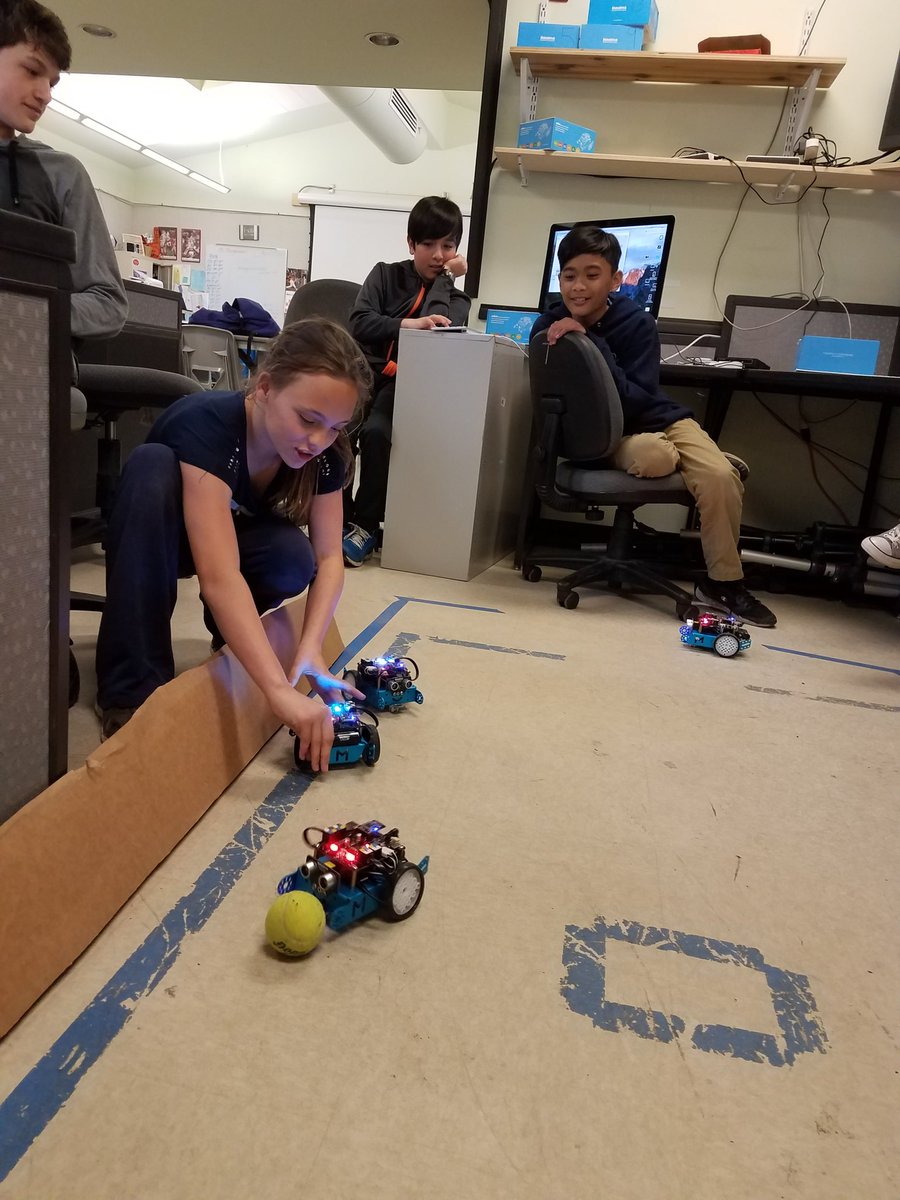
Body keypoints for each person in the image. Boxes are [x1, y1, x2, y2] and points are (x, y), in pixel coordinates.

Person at [94, 319, 370, 770]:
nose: (319, 440)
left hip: (230, 538)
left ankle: (230, 640)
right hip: (161, 537)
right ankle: (131, 685)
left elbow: (328, 558)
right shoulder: (206, 425)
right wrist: (279, 692)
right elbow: (219, 579)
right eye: (307, 419)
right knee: (151, 465)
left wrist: (310, 646)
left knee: (291, 556)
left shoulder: (324, 454)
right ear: (263, 388)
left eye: (336, 427)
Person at [531, 225, 777, 628]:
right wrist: (584, 342)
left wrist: (594, 344)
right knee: (657, 456)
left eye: (592, 275)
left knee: (717, 476)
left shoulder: (636, 323)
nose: (579, 286)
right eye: (569, 275)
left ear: (613, 280)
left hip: (658, 417)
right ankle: (700, 459)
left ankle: (723, 583)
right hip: (605, 437)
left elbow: (638, 398)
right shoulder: (550, 328)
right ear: (559, 280)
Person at [342, 195, 471, 566]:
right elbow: (360, 321)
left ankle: (366, 526)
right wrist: (406, 324)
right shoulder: (384, 274)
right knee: (338, 432)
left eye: (448, 246)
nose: (437, 254)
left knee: (377, 434)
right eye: (428, 244)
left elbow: (438, 327)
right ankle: (337, 520)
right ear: (411, 244)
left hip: (408, 384)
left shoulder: (456, 297)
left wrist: (446, 280)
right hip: (364, 372)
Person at [0, 0, 127, 340]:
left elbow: (108, 303)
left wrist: (21, 312)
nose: (45, 95)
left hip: (24, 375)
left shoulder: (61, 174)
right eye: (31, 70)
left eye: (52, 83)